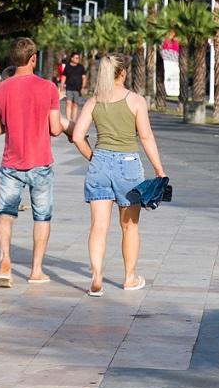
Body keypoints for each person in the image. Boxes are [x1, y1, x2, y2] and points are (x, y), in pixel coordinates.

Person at [70, 53, 166, 296]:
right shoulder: (135, 101)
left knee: (98, 226)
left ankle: (96, 278)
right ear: (122, 73)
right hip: (128, 166)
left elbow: (78, 137)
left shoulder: (94, 101)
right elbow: (145, 137)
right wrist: (159, 169)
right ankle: (129, 278)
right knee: (129, 227)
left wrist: (94, 158)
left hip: (99, 164)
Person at [0, 37, 65, 287]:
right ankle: (36, 271)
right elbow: (55, 129)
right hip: (40, 162)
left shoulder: (0, 90)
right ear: (33, 58)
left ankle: (5, 260)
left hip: (11, 163)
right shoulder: (48, 88)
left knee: (5, 212)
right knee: (41, 217)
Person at [61, 52, 87, 121]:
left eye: (78, 58)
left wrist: (83, 87)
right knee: (68, 103)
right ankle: (68, 120)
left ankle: (74, 120)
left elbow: (84, 77)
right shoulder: (67, 66)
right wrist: (61, 85)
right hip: (69, 88)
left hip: (77, 89)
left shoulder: (81, 67)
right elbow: (64, 76)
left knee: (75, 104)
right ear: (72, 58)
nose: (78, 59)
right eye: (76, 58)